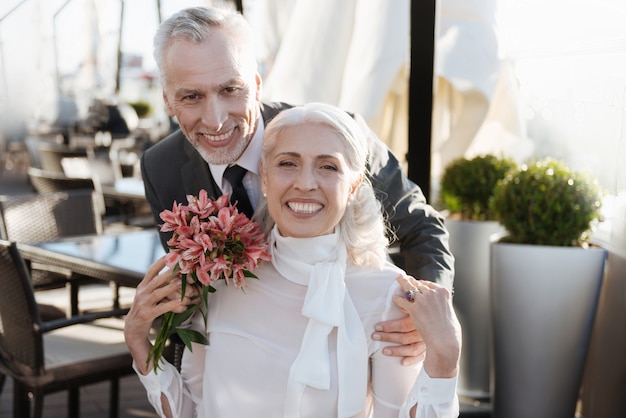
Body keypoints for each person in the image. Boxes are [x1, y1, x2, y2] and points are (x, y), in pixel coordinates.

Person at [140, 6, 453, 364]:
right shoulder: (159, 166)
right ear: (167, 100)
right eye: (191, 96)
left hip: (343, 355)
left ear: (256, 85)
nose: (215, 119)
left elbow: (422, 228)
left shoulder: (339, 135)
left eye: (230, 89)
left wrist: (428, 313)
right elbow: (192, 289)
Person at [125, 102, 461, 417]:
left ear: (355, 186)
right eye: (288, 163)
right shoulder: (223, 276)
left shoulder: (388, 294)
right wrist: (138, 342)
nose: (305, 183)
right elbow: (193, 410)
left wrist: (445, 360)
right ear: (265, 177)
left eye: (328, 166)